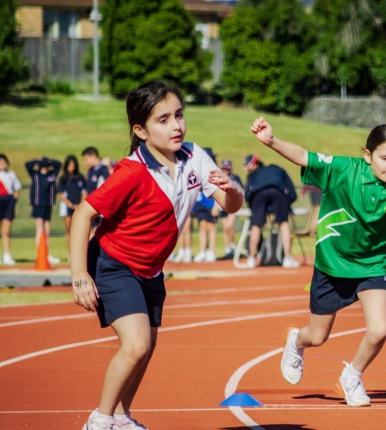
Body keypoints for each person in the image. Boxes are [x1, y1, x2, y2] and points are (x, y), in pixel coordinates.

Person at [70, 81, 243, 430]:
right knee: (136, 345)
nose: (176, 125)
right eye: (163, 119)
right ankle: (99, 420)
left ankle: (121, 417)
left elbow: (229, 206)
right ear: (140, 130)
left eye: (179, 115)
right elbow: (82, 214)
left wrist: (233, 190)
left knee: (145, 350)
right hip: (114, 264)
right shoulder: (131, 172)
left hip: (151, 269)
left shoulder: (195, 156)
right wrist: (79, 275)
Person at [263, 118, 386, 407]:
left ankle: (351, 377)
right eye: (385, 158)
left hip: (372, 265)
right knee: (317, 336)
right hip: (332, 264)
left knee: (378, 331)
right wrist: (271, 141)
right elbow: (303, 156)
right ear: (368, 155)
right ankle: (296, 341)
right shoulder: (344, 170)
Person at [242, 153, 300, 269]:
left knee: (256, 225)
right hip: (278, 192)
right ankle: (287, 258)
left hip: (258, 193)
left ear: (256, 164)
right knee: (283, 223)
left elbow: (248, 194)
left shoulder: (253, 175)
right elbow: (292, 192)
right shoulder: (278, 169)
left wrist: (255, 209)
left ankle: (251, 259)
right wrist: (287, 206)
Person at [25, 156, 62, 264]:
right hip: (38, 205)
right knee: (40, 230)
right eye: (42, 165)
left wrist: (47, 160)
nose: (44, 167)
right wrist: (38, 161)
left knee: (47, 232)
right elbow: (27, 165)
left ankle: (46, 253)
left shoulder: (51, 175)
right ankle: (39, 253)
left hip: (48, 205)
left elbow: (59, 164)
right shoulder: (35, 175)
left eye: (46, 166)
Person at [193, 148, 220, 263]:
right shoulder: (197, 170)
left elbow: (220, 190)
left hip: (211, 203)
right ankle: (203, 251)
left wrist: (216, 206)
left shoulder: (216, 172)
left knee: (211, 227)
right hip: (201, 203)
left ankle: (211, 251)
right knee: (202, 226)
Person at [58, 155, 87, 260]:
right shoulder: (63, 179)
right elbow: (60, 194)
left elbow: (84, 192)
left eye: (73, 165)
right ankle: (71, 253)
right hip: (68, 207)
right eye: (69, 165)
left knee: (78, 230)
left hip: (79, 207)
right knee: (69, 230)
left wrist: (80, 204)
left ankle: (79, 253)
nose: (71, 167)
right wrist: (70, 204)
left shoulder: (80, 177)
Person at [218, 159, 244, 259]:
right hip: (222, 205)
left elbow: (241, 189)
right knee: (225, 228)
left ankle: (233, 245)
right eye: (224, 169)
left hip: (232, 204)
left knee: (230, 226)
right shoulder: (219, 177)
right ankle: (227, 247)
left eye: (227, 169)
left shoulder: (235, 178)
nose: (225, 171)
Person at [82, 147, 110, 232]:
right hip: (92, 206)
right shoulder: (91, 171)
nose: (85, 162)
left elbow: (106, 188)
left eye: (86, 160)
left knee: (99, 230)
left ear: (93, 156)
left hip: (100, 206)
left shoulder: (103, 170)